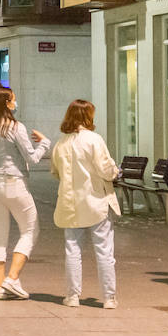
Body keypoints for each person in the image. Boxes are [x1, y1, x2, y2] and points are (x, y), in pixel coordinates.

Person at [0, 86, 50, 300]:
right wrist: (44, 143)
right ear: (6, 103)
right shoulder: (15, 127)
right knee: (30, 229)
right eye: (13, 100)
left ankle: (1, 287)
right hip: (13, 183)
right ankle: (12, 278)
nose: (15, 103)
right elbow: (32, 158)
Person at [50, 99, 121, 309]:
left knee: (72, 250)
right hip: (96, 202)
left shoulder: (60, 143)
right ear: (87, 116)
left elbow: (55, 172)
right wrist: (116, 172)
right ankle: (109, 297)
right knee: (104, 251)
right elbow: (106, 169)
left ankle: (72, 296)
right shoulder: (94, 139)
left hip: (70, 205)